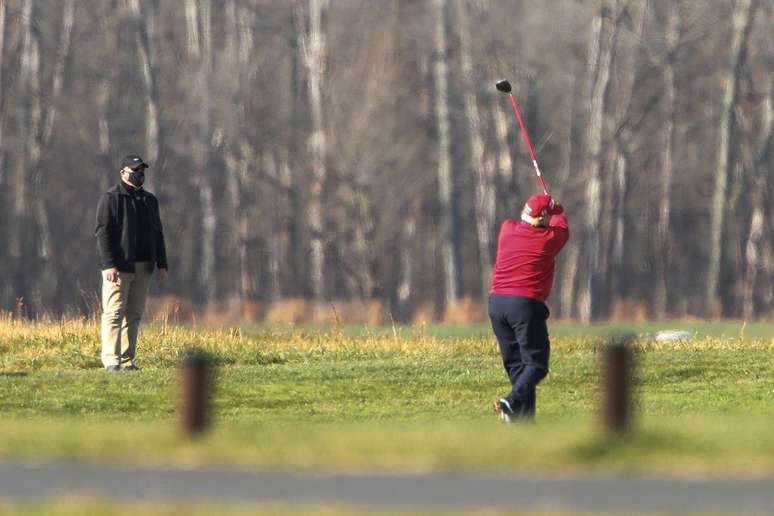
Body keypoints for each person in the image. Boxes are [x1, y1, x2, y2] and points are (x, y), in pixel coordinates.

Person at [489, 193, 569, 421]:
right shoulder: (547, 240)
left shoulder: (507, 229)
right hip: (524, 305)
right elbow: (562, 226)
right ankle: (512, 401)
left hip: (497, 304)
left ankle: (523, 422)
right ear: (542, 217)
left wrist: (548, 207)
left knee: (518, 368)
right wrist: (557, 209)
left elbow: (544, 219)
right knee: (537, 365)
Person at [95, 154, 168, 372]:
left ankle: (127, 361)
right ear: (123, 173)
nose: (139, 174)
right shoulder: (111, 199)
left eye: (142, 170)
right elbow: (103, 233)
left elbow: (158, 234)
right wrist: (109, 264)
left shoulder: (149, 201)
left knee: (134, 314)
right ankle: (111, 360)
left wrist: (162, 264)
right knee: (114, 312)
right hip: (119, 267)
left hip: (143, 266)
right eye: (135, 170)